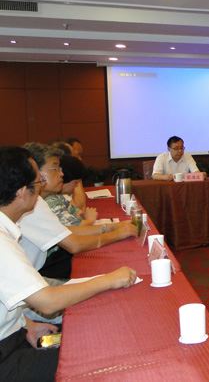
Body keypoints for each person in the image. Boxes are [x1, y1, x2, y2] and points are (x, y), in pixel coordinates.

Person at [0, 146, 137, 382]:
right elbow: (48, 302)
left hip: (15, 334)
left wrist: (26, 325)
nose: (41, 186)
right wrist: (110, 279)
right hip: (6, 356)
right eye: (38, 181)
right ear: (22, 192)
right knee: (104, 355)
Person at [19, 143, 138, 279]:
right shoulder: (31, 204)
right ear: (36, 172)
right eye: (55, 168)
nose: (61, 174)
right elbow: (74, 244)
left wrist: (113, 227)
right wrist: (117, 234)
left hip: (44, 267)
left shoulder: (39, 200)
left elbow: (66, 230)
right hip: (37, 274)